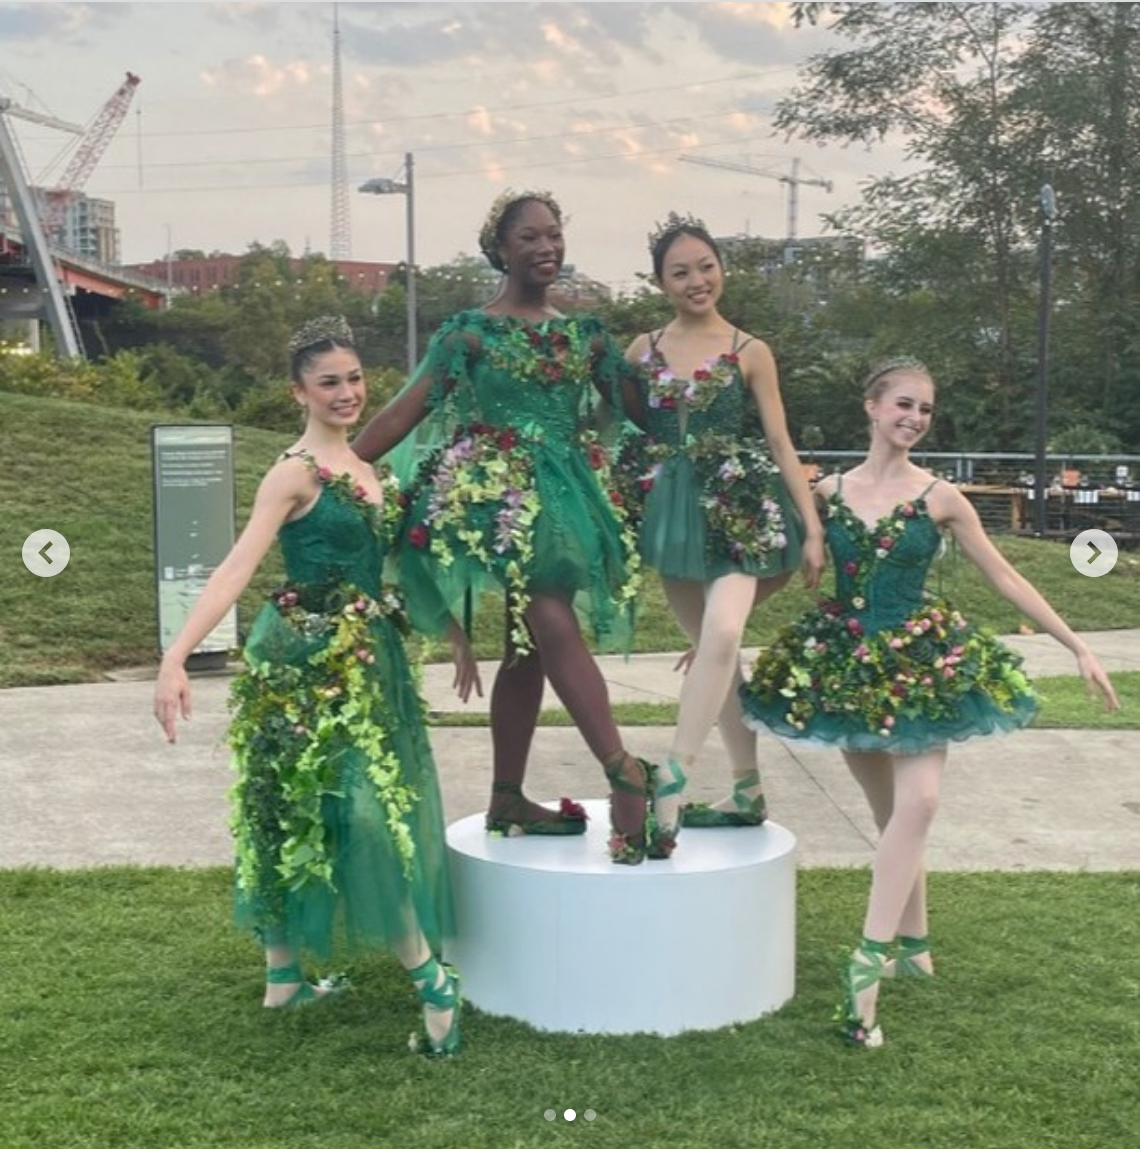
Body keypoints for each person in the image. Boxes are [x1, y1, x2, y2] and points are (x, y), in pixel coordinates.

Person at [738, 356, 1120, 1048]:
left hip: (920, 664)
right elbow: (785, 565)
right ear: (872, 407)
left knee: (919, 804)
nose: (914, 419)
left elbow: (1002, 574)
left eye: (925, 410)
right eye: (903, 405)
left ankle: (865, 971)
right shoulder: (824, 491)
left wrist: (1077, 645)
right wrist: (723, 629)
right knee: (892, 815)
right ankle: (914, 940)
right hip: (845, 668)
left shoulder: (942, 497)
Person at [153, 316, 479, 1058]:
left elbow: (404, 567)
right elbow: (238, 565)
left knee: (360, 812)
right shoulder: (294, 472)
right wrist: (176, 655)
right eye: (329, 381)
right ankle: (428, 982)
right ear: (298, 389)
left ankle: (286, 977)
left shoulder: (374, 472)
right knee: (305, 808)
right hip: (300, 661)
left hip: (372, 664)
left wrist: (456, 633)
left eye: (355, 378)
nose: (347, 392)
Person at [351, 189, 658, 864]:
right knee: (548, 611)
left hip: (565, 495)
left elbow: (642, 408)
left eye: (553, 234)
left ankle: (506, 794)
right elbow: (406, 410)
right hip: (493, 496)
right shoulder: (470, 331)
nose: (546, 246)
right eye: (529, 237)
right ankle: (621, 767)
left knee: (526, 640)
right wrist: (336, 466)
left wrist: (695, 369)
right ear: (500, 248)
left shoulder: (589, 335)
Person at [617, 212, 825, 857]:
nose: (697, 279)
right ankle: (747, 789)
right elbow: (623, 431)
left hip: (741, 508)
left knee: (725, 633)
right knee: (720, 658)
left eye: (706, 265)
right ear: (660, 282)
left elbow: (781, 443)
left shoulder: (749, 350)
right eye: (680, 271)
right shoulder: (641, 350)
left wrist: (812, 528)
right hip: (672, 518)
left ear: (721, 269)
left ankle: (672, 781)